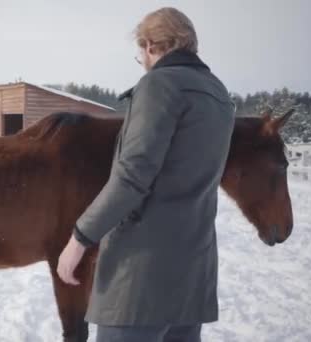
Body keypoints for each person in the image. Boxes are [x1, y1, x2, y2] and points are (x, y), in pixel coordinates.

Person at [56, 7, 236, 342]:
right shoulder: (219, 94)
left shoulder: (159, 86)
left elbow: (132, 177)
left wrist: (80, 238)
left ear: (152, 45)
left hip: (140, 280)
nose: (142, 60)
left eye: (141, 52)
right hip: (192, 274)